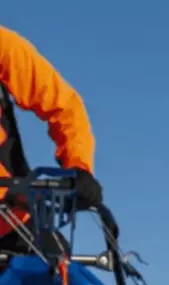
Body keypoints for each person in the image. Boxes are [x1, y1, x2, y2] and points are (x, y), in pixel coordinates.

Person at [0, 24, 103, 256]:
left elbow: (64, 108)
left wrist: (79, 167)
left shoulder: (3, 46)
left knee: (60, 281)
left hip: (12, 221)